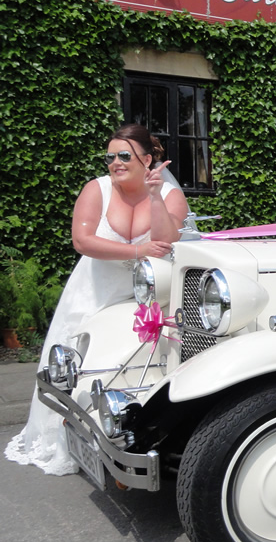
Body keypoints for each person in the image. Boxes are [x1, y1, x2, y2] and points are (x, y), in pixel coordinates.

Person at [5, 124, 189, 475]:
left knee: (131, 365)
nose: (115, 163)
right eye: (110, 156)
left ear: (146, 159)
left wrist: (153, 196)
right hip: (95, 290)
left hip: (144, 295)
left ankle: (122, 434)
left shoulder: (167, 194)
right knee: (78, 361)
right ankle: (64, 436)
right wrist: (137, 249)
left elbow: (168, 240)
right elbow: (83, 241)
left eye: (124, 156)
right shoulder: (97, 189)